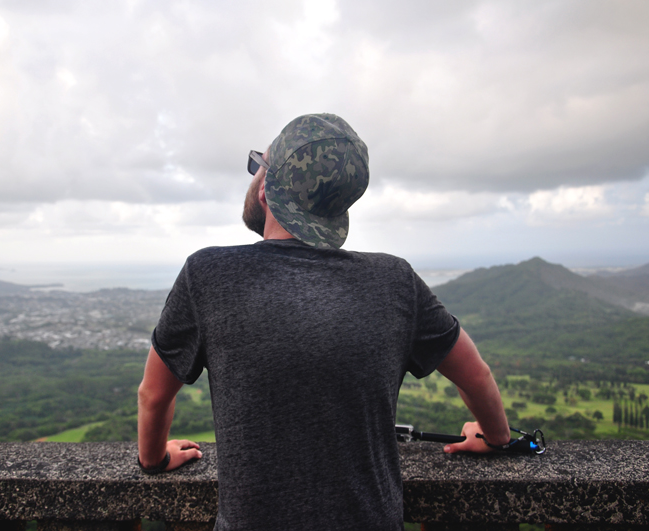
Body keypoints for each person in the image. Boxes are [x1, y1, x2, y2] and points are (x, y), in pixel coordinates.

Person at [137, 113, 510, 530]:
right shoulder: (395, 281)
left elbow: (153, 395)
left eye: (258, 165)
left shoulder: (207, 274)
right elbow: (476, 375)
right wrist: (497, 439)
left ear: (265, 189)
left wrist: (153, 460)